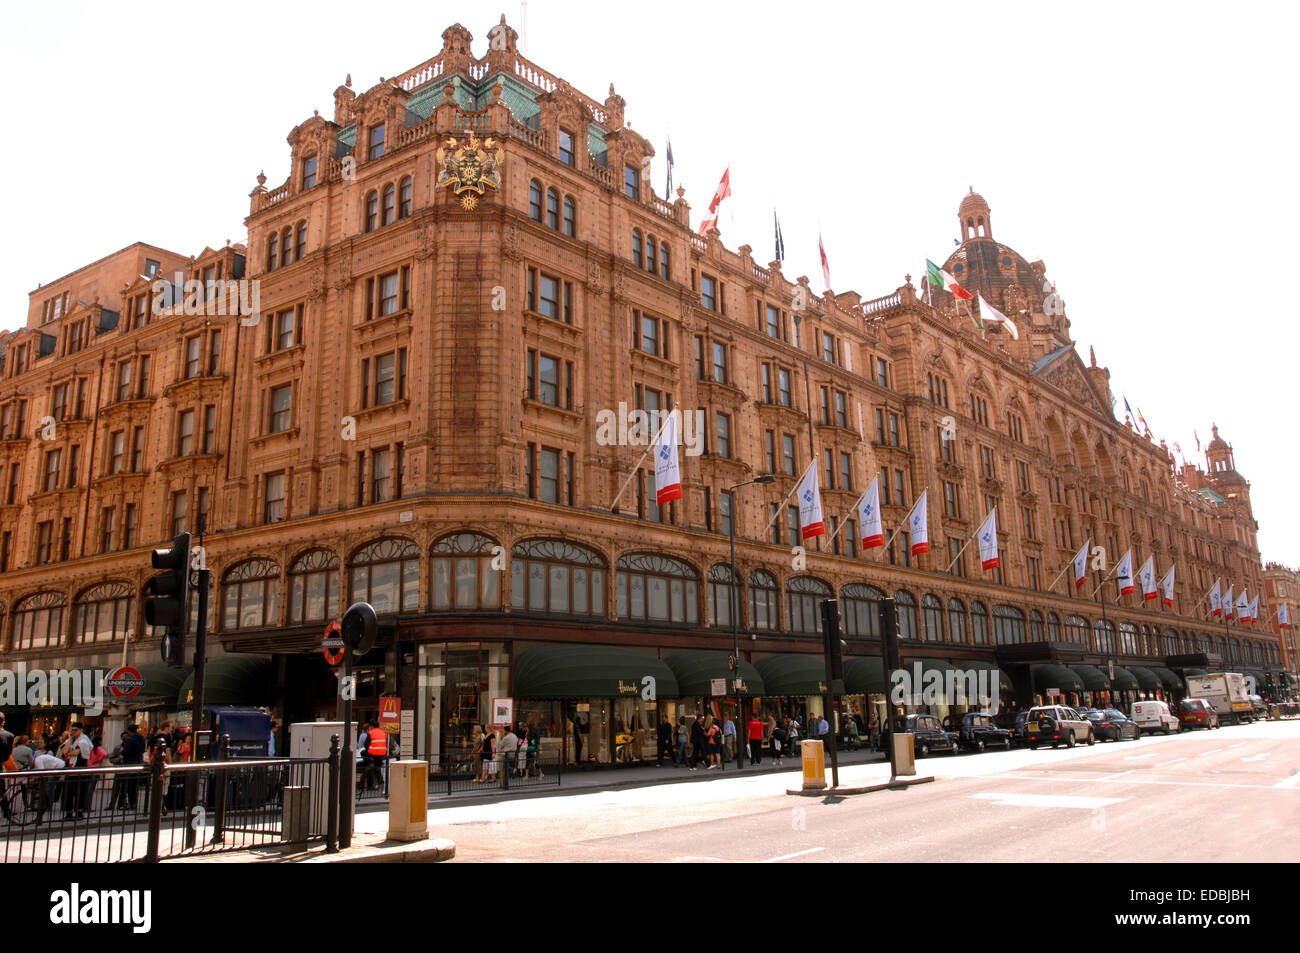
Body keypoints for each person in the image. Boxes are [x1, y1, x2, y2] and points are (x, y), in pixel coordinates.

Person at [60, 722, 93, 819]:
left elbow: (76, 752)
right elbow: (64, 751)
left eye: (76, 730)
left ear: (81, 730)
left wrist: (69, 753)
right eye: (72, 730)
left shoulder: (84, 740)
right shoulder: (71, 740)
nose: (73, 732)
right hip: (70, 769)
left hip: (81, 768)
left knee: (80, 791)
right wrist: (69, 739)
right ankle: (69, 812)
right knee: (68, 791)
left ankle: (79, 812)